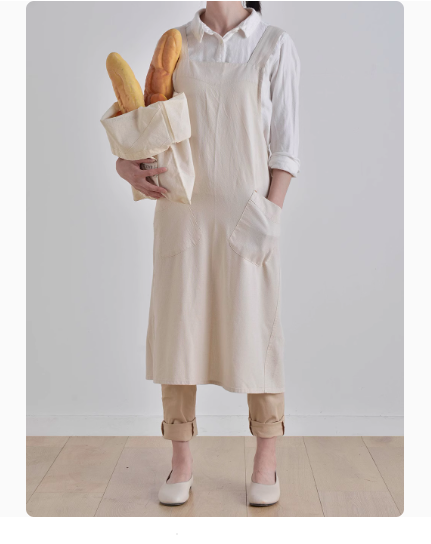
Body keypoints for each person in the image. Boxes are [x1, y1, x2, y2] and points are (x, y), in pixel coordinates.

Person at [115, 1, 300, 507]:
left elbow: (285, 147)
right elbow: (146, 126)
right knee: (179, 337)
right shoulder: (176, 44)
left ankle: (266, 460)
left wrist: (269, 214)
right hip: (184, 215)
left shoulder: (274, 45)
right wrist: (124, 165)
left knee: (259, 335)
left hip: (248, 215)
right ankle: (181, 462)